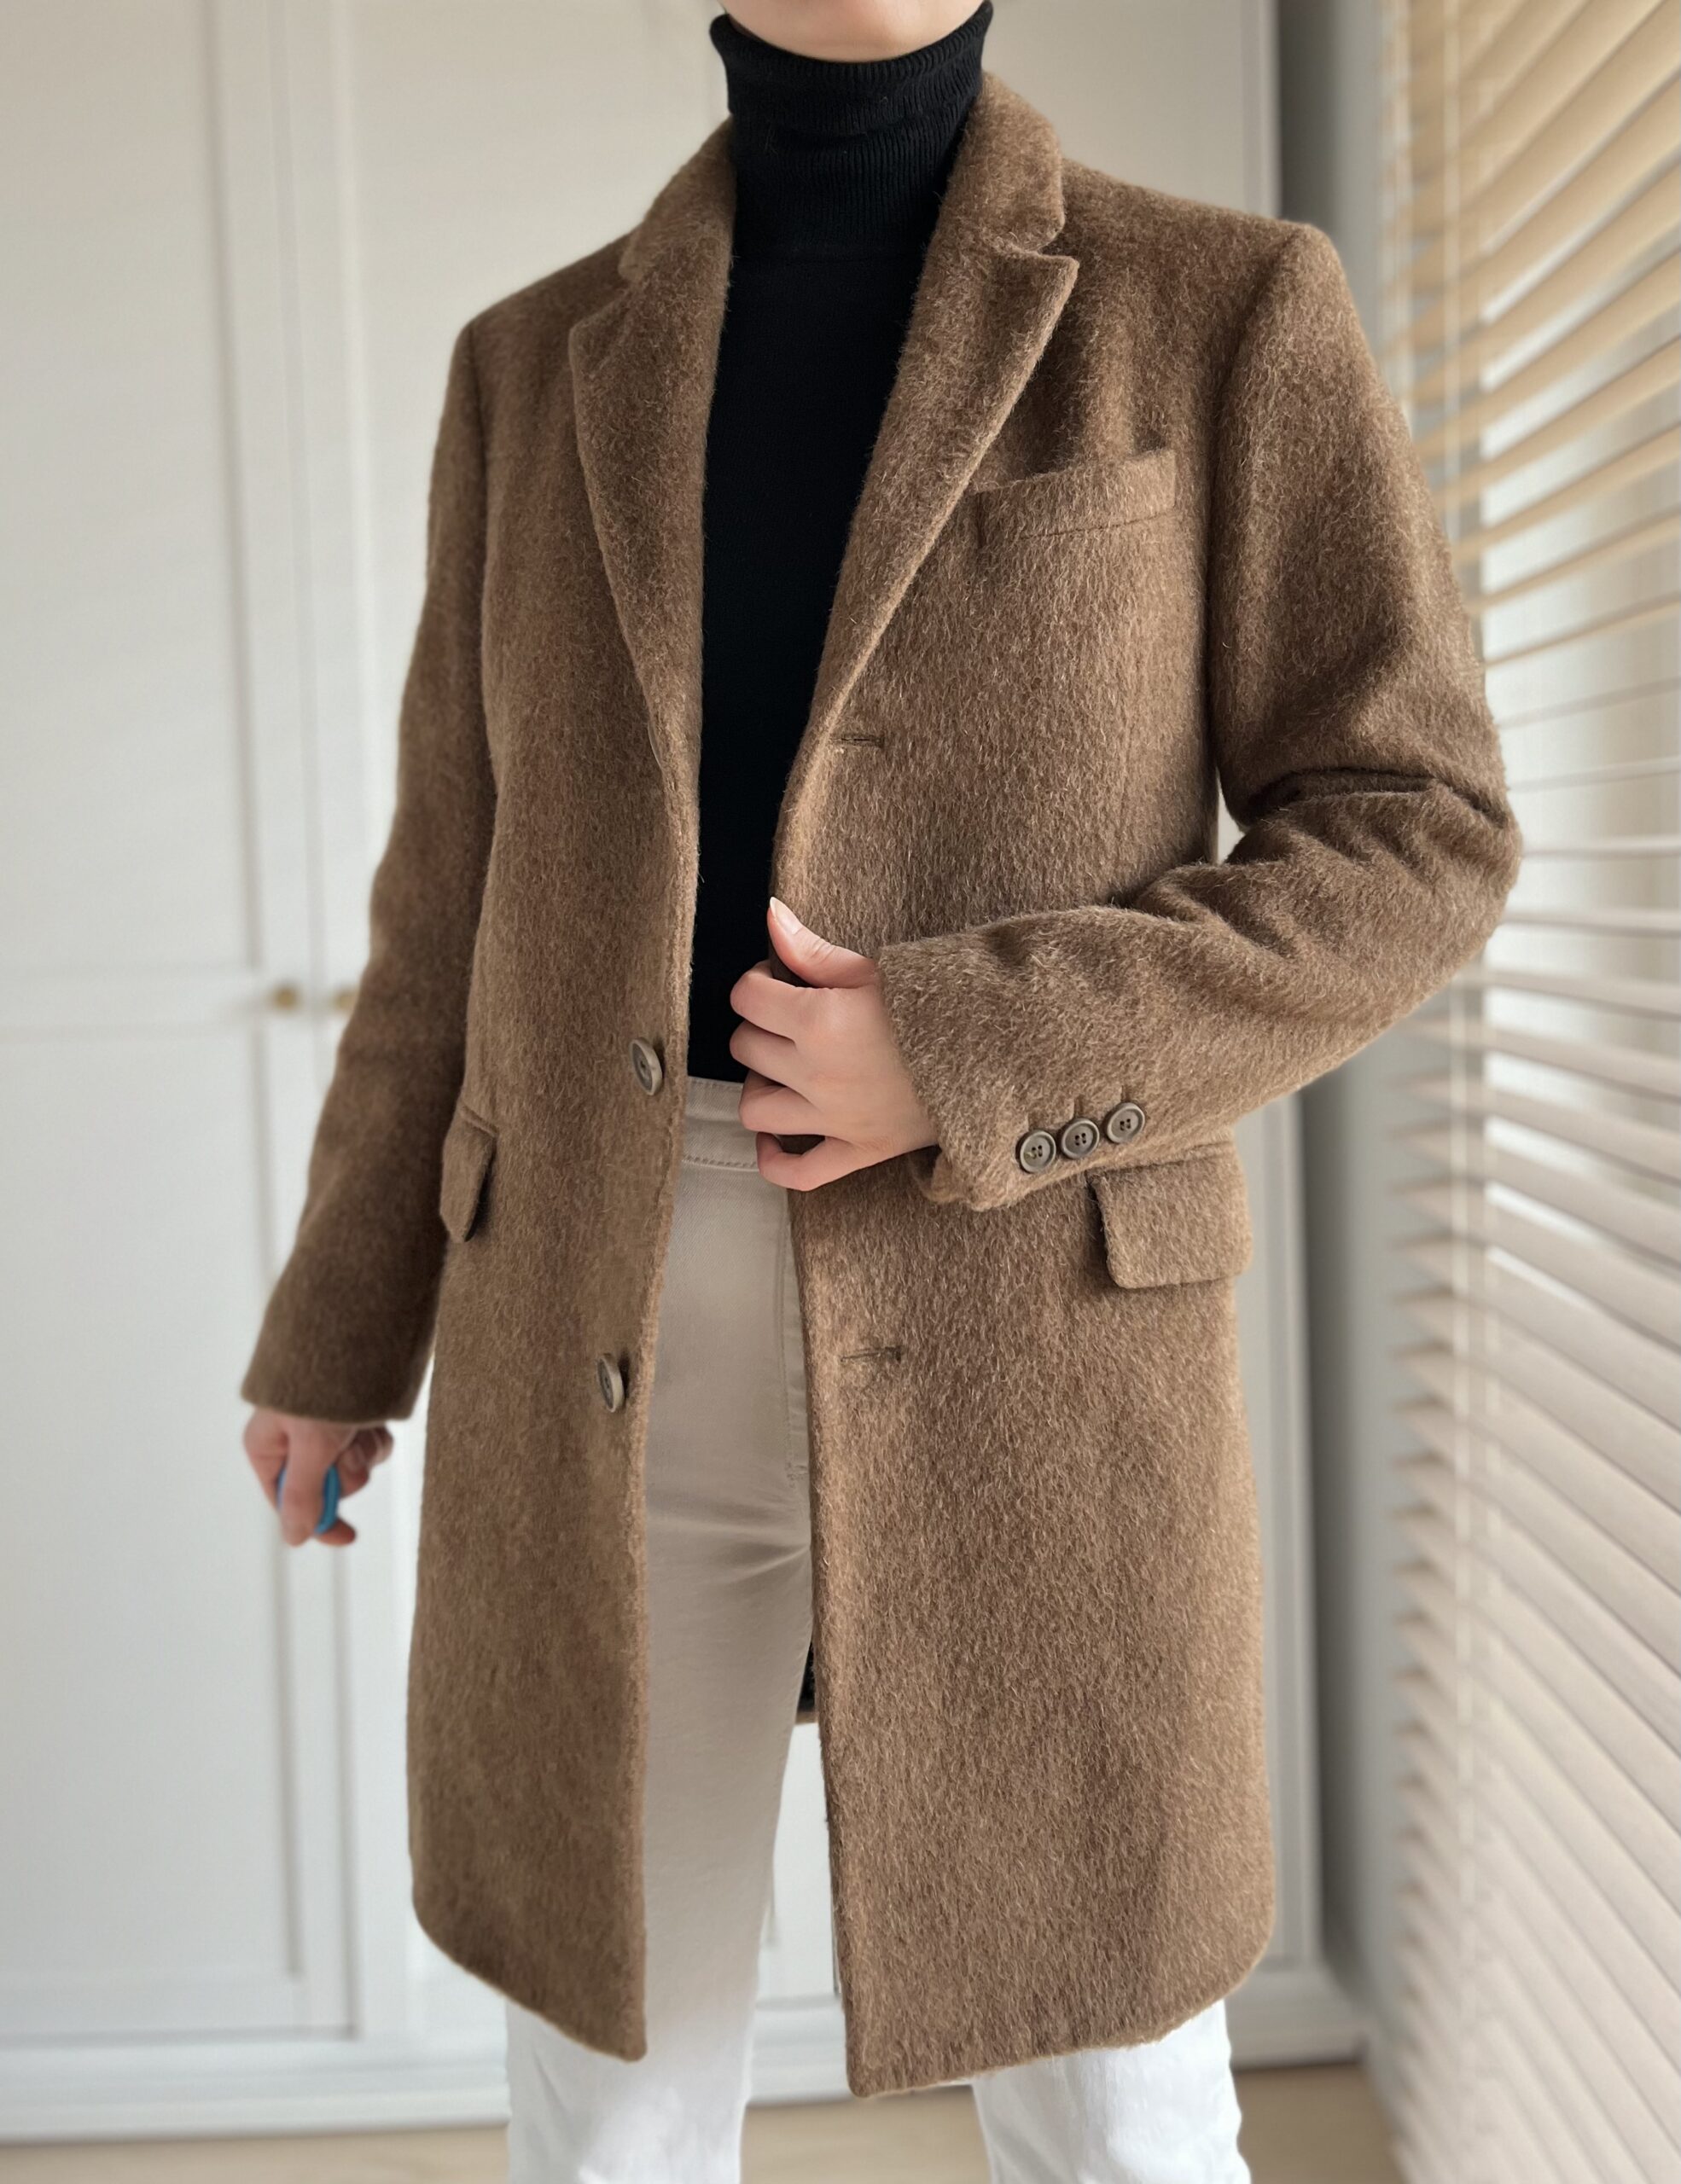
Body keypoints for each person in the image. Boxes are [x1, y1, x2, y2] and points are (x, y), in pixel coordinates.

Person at [240, 3, 1522, 2179]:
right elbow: (447, 904)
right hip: (590, 1333)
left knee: (1117, 2117)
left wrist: (966, 1040)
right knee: (609, 2115)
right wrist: (336, 1326)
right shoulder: (528, 369)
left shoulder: (1221, 309)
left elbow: (1415, 830)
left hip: (1038, 1328)